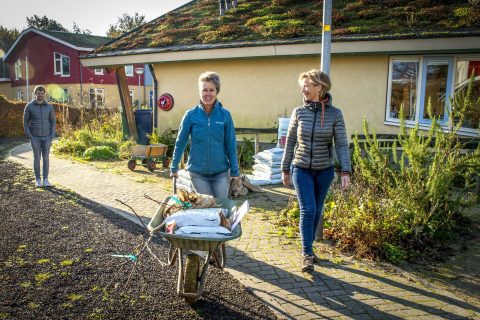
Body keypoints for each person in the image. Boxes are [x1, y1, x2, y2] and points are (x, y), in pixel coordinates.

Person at [281, 69, 351, 272]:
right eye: (302, 85)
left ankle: (309, 248)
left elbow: (341, 144)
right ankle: (306, 253)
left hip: (324, 170)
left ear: (320, 87)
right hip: (301, 168)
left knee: (317, 211)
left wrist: (345, 171)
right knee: (308, 210)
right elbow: (290, 142)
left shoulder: (335, 114)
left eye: (306, 85)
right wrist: (285, 168)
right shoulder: (298, 112)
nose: (302, 89)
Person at [170, 71, 239, 198]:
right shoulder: (190, 115)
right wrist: (174, 166)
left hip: (221, 173)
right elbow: (181, 142)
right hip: (198, 173)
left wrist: (234, 170)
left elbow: (230, 144)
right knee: (206, 209)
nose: (208, 94)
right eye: (204, 90)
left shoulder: (225, 115)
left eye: (211, 90)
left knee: (221, 207)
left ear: (217, 92)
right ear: (199, 92)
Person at [23, 85, 56, 188]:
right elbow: (25, 122)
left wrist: (52, 135)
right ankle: (38, 179)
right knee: (37, 159)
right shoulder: (29, 106)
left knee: (46, 158)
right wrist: (30, 136)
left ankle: (46, 179)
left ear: (44, 94)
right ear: (35, 93)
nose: (40, 95)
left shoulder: (49, 106)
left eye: (42, 93)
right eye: (38, 93)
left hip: (47, 137)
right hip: (35, 138)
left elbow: (53, 121)